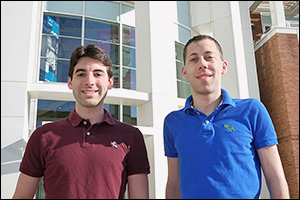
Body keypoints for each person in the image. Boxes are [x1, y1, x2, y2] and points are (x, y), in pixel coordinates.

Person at [13, 44, 150, 199]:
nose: (89, 82)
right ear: (70, 82)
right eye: (81, 74)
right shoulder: (43, 136)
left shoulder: (131, 136)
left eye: (98, 74)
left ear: (110, 82)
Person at [163, 34, 289, 199]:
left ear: (223, 66)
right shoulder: (172, 122)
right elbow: (173, 185)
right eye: (194, 59)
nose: (202, 64)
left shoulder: (252, 110)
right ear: (184, 71)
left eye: (209, 57)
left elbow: (275, 179)